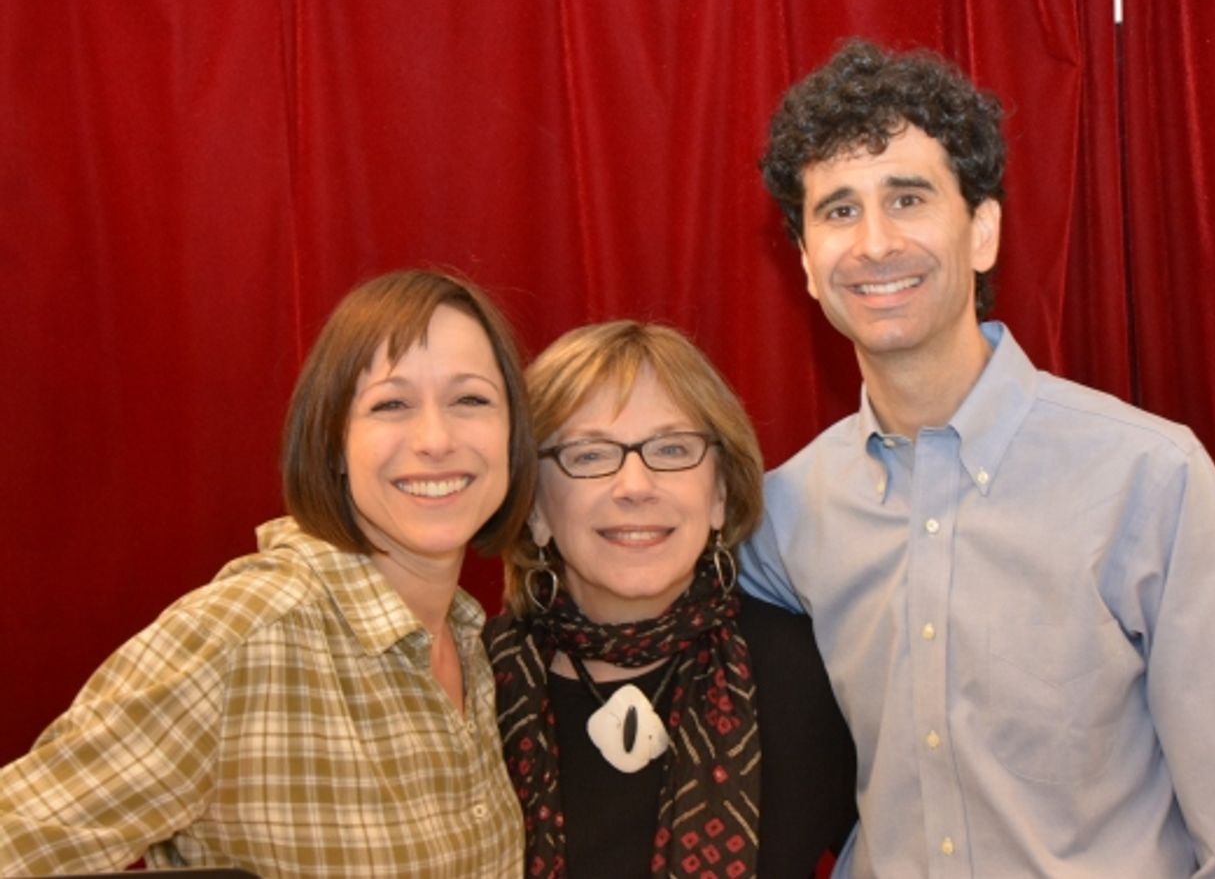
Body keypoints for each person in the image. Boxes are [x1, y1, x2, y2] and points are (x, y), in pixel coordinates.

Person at [740, 40, 1215, 876]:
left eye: (908, 197)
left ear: (983, 231)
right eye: (837, 210)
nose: (872, 243)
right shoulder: (788, 514)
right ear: (805, 264)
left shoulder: (1150, 478)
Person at [0, 269, 531, 876]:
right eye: (391, 404)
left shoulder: (473, 644)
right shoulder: (244, 634)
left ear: (512, 433)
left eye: (471, 400)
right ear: (333, 443)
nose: (436, 438)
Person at [486, 320, 857, 879]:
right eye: (588, 455)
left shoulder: (816, 671)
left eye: (672, 449)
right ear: (534, 506)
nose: (635, 485)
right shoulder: (470, 682)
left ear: (720, 494)